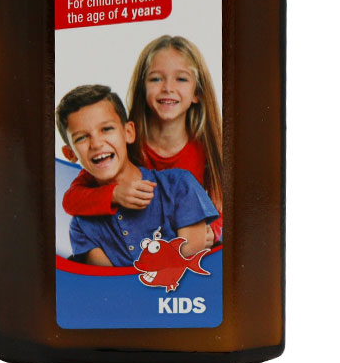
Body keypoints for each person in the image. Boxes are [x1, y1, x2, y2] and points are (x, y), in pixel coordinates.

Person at [61, 36, 224, 242]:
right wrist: (114, 194)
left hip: (184, 246)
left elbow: (226, 206)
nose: (168, 88)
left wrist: (214, 231)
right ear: (142, 88)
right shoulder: (124, 142)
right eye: (156, 79)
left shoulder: (208, 148)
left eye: (181, 79)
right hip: (137, 247)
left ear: (197, 93)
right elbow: (71, 199)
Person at [56, 84, 218, 267]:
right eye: (81, 138)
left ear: (129, 133)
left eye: (106, 129)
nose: (96, 144)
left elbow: (190, 265)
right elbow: (110, 281)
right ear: (70, 154)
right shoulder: (82, 226)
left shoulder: (179, 185)